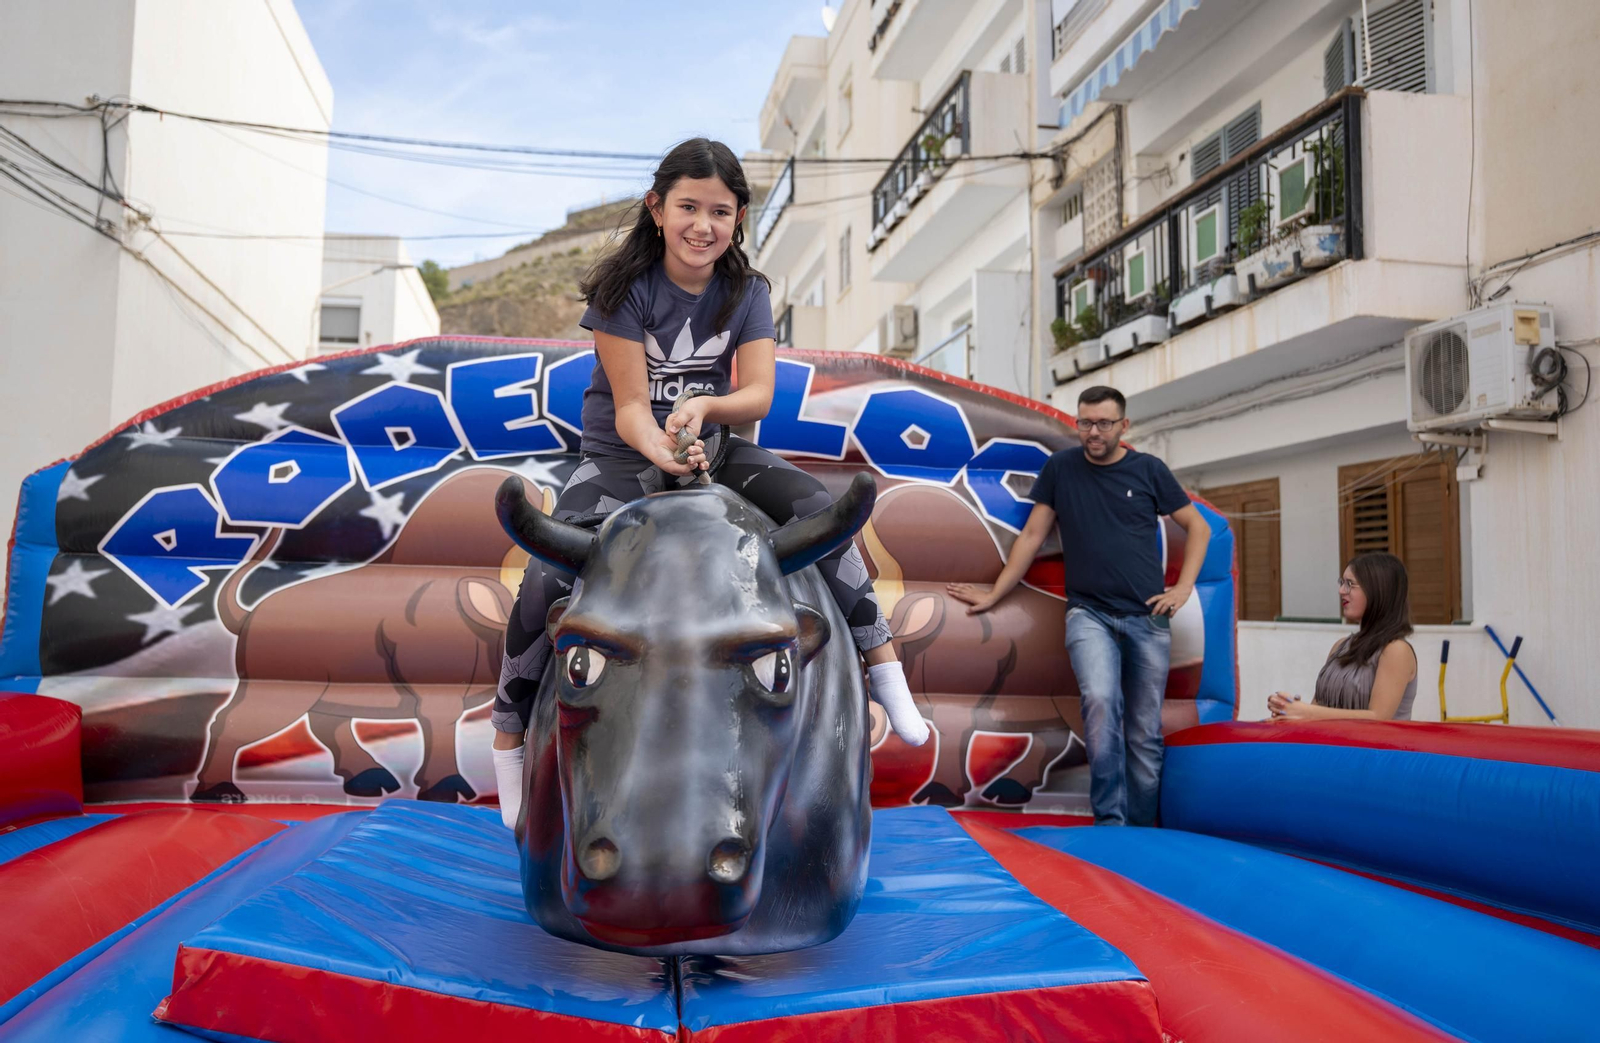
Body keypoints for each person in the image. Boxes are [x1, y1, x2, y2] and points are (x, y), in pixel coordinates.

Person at [490, 139, 928, 828]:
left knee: (818, 507)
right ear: (656, 208)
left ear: (739, 218)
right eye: (688, 207)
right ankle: (507, 739)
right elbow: (631, 408)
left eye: (720, 212)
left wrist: (705, 409)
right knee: (546, 574)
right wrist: (663, 451)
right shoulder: (623, 292)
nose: (703, 225)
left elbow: (758, 393)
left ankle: (885, 667)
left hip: (713, 449)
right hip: (622, 456)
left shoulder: (748, 292)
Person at [947, 386, 1211, 826]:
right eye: (1085, 422)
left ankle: (1144, 830)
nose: (1094, 431)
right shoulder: (1062, 468)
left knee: (1144, 731)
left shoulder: (1149, 470)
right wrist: (996, 593)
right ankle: (1110, 822)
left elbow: (1198, 528)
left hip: (1147, 617)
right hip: (1089, 614)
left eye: (1104, 423)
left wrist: (1183, 589)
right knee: (1101, 702)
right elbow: (1033, 536)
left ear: (1123, 426)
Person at [1268, 553, 1418, 721]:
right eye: (1342, 583)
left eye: (1350, 584)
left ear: (1378, 590)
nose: (1341, 591)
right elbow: (1318, 708)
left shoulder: (1396, 650)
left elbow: (1378, 717)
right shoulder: (1340, 646)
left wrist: (1305, 712)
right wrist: (1288, 712)